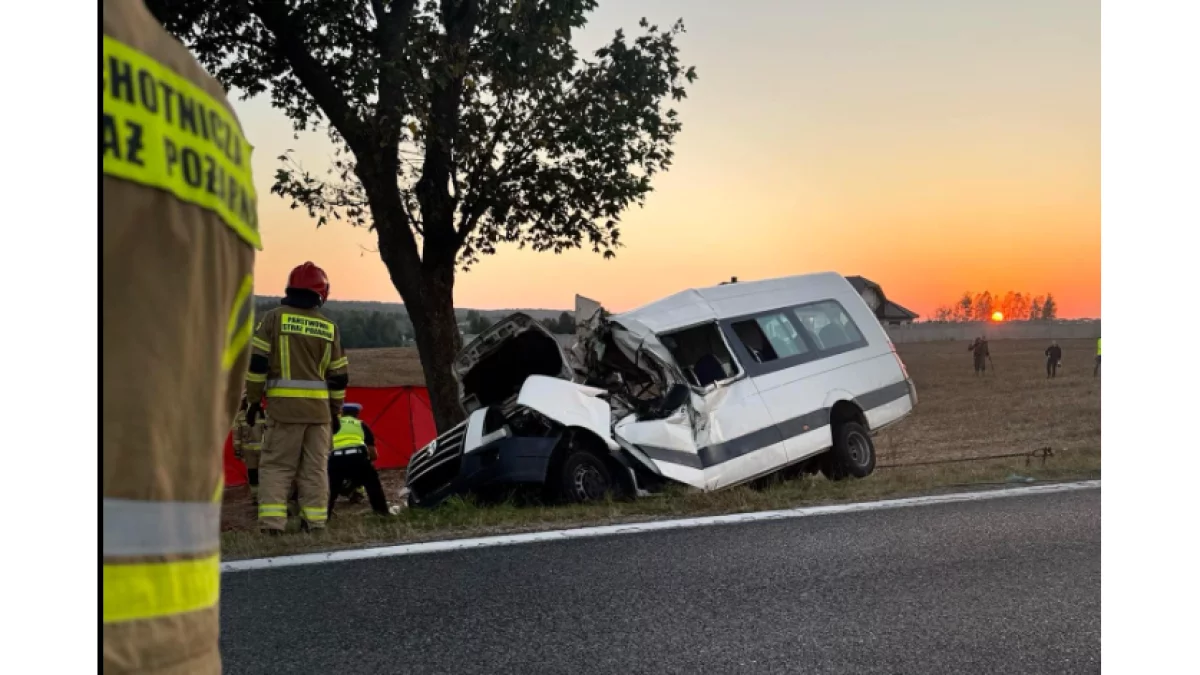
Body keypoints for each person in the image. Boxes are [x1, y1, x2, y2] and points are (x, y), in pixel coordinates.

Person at [103, 0, 260, 671]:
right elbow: (220, 383)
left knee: (285, 472)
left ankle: (285, 520)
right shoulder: (215, 118)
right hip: (180, 642)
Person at [244, 263, 349, 533]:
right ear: (321, 293)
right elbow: (338, 377)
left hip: (284, 411)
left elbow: (257, 365)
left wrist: (254, 401)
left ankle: (272, 525)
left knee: (278, 467)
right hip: (319, 415)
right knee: (315, 470)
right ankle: (314, 523)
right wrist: (336, 412)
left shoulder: (273, 319)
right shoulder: (329, 328)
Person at [327, 403, 390, 517]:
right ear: (357, 414)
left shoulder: (332, 425)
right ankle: (382, 513)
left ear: (342, 413)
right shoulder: (361, 425)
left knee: (330, 490)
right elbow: (373, 454)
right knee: (372, 483)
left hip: (335, 458)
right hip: (357, 457)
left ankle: (324, 516)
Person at [232, 395, 268, 503]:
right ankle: (262, 496)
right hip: (262, 450)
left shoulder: (241, 416)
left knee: (253, 474)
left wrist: (237, 449)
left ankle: (256, 497)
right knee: (262, 473)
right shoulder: (264, 414)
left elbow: (237, 435)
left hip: (249, 450)